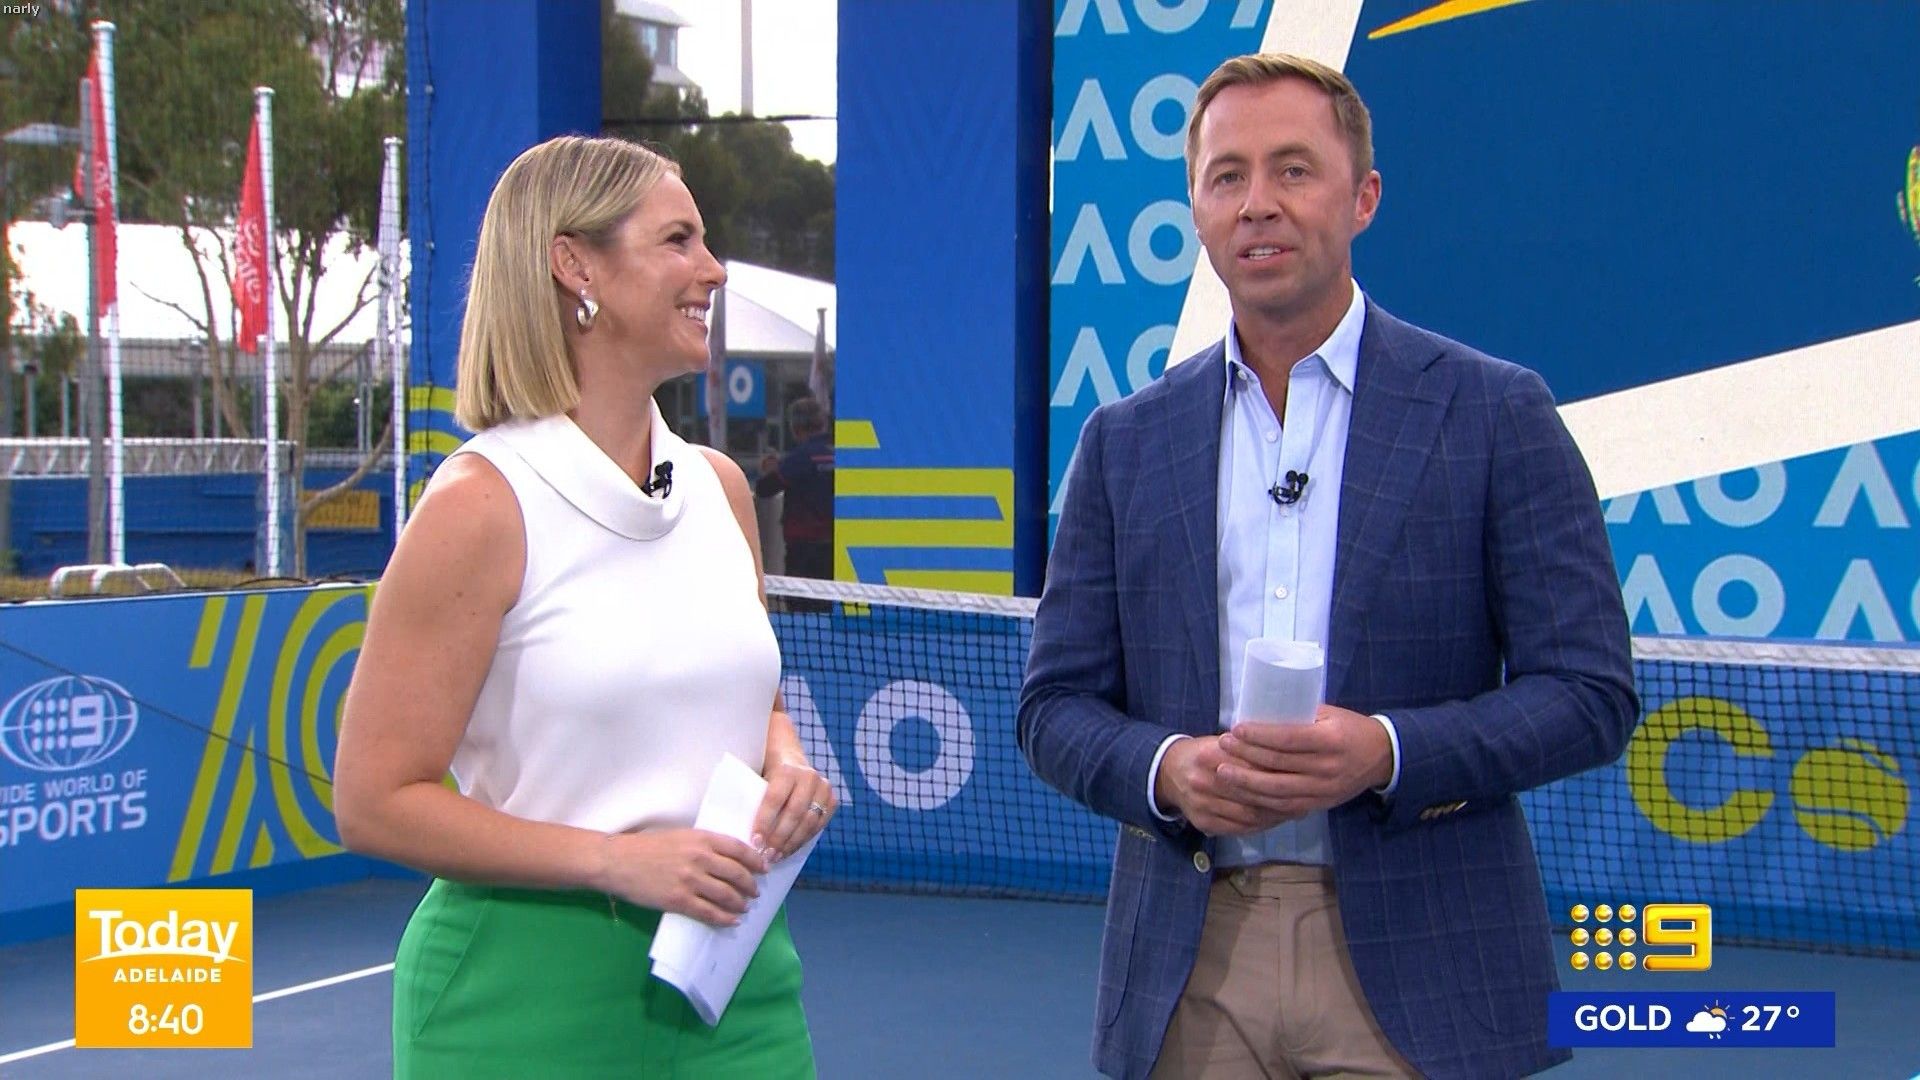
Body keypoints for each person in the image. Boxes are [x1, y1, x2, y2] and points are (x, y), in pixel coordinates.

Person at [1019, 54, 1637, 1080]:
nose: (1257, 203)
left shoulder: (1495, 414)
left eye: (1293, 169)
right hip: (1189, 970)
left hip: (1426, 966)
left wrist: (1386, 753)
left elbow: (1589, 693)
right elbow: (1053, 709)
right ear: (1197, 211)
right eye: (1227, 177)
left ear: (1363, 199)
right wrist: (1169, 771)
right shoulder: (1126, 443)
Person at [333, 135, 835, 1078]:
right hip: (521, 1007)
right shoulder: (478, 507)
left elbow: (752, 701)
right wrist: (615, 860)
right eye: (678, 240)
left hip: (737, 984)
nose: (714, 269)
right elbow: (373, 803)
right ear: (576, 265)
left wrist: (789, 761)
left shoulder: (723, 490)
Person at [756, 396, 835, 581]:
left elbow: (765, 488)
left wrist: (772, 469)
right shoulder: (837, 455)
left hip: (803, 549)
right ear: (823, 423)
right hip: (834, 545)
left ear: (795, 427)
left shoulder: (799, 458)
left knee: (799, 598)